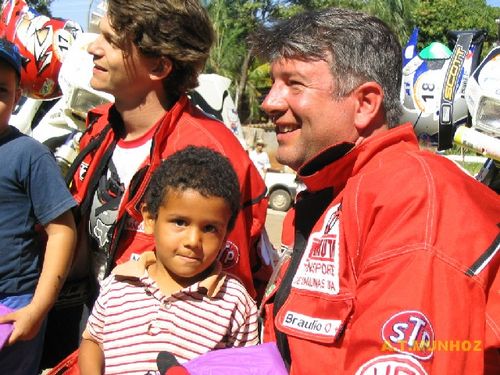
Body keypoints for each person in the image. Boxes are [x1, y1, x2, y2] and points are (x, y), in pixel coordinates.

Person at [252, 7, 500, 374]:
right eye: (273, 83)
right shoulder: (330, 195)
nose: (268, 103)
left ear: (365, 104)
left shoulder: (411, 197)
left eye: (294, 84)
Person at [55, 0, 269, 365]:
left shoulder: (212, 158)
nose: (93, 47)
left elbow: (224, 309)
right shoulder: (101, 129)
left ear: (158, 65)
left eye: (110, 39)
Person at [78, 146, 259, 374]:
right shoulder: (119, 284)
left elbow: (246, 368)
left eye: (210, 228)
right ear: (150, 219)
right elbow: (93, 341)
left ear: (226, 233)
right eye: (180, 222)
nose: (193, 240)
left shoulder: (235, 303)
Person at [0, 38, 77, 374]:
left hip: (13, 305)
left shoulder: (29, 155)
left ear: (17, 97)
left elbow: (62, 231)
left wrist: (39, 307)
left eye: (1, 91)